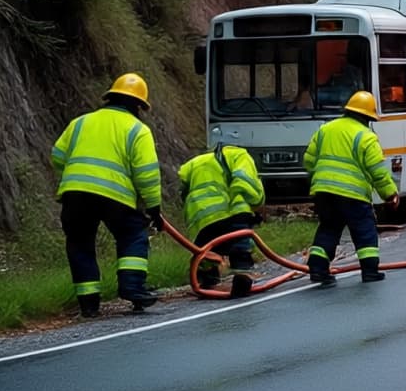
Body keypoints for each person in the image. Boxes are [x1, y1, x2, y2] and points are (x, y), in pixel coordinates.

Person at [50, 73, 164, 316]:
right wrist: (153, 207)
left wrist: (78, 176)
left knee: (79, 243)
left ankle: (89, 305)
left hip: (75, 195)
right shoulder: (138, 130)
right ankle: (133, 289)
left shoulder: (80, 122)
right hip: (115, 197)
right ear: (139, 106)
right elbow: (146, 174)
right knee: (133, 234)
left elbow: (57, 157)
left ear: (109, 98)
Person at [302, 90, 398, 286]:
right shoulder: (366, 136)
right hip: (352, 195)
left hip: (324, 192)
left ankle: (318, 270)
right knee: (364, 229)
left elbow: (308, 161)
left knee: (329, 228)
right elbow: (377, 170)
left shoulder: (325, 129)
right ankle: (370, 271)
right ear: (366, 116)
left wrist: (323, 180)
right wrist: (389, 194)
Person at [177, 142, 265, 298]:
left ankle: (207, 280)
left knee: (206, 249)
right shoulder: (239, 155)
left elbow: (183, 190)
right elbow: (247, 182)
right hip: (231, 210)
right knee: (240, 241)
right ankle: (242, 273)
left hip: (200, 216)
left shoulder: (193, 163)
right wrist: (256, 204)